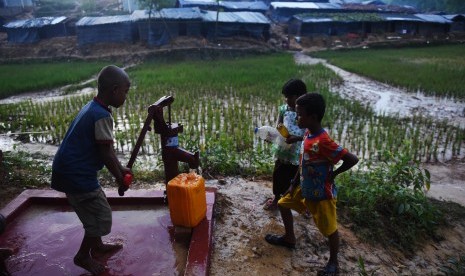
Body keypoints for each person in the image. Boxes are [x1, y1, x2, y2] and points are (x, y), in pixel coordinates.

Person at [264, 93, 359, 276]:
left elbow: (351, 159)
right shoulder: (308, 133)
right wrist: (293, 182)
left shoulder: (323, 141)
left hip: (321, 194)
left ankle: (333, 263)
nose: (296, 117)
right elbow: (304, 160)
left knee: (329, 229)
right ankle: (289, 238)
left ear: (313, 117)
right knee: (283, 204)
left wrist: (334, 174)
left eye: (300, 114)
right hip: (304, 187)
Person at [51, 65, 132, 275]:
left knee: (93, 212)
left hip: (68, 170)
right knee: (102, 216)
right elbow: (105, 155)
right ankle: (82, 256)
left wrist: (120, 169)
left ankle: (96, 246)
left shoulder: (94, 108)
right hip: (76, 174)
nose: (126, 96)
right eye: (125, 91)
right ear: (114, 90)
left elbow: (107, 149)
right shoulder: (101, 116)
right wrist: (119, 178)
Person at [263, 79, 306, 211]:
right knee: (278, 175)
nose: (286, 99)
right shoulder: (283, 110)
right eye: (285, 97)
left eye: (289, 97)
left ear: (299, 96)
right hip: (283, 151)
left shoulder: (305, 112)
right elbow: (279, 127)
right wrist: (271, 136)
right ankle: (277, 198)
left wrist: (296, 138)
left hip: (297, 153)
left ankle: (301, 204)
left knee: (297, 180)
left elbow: (309, 135)